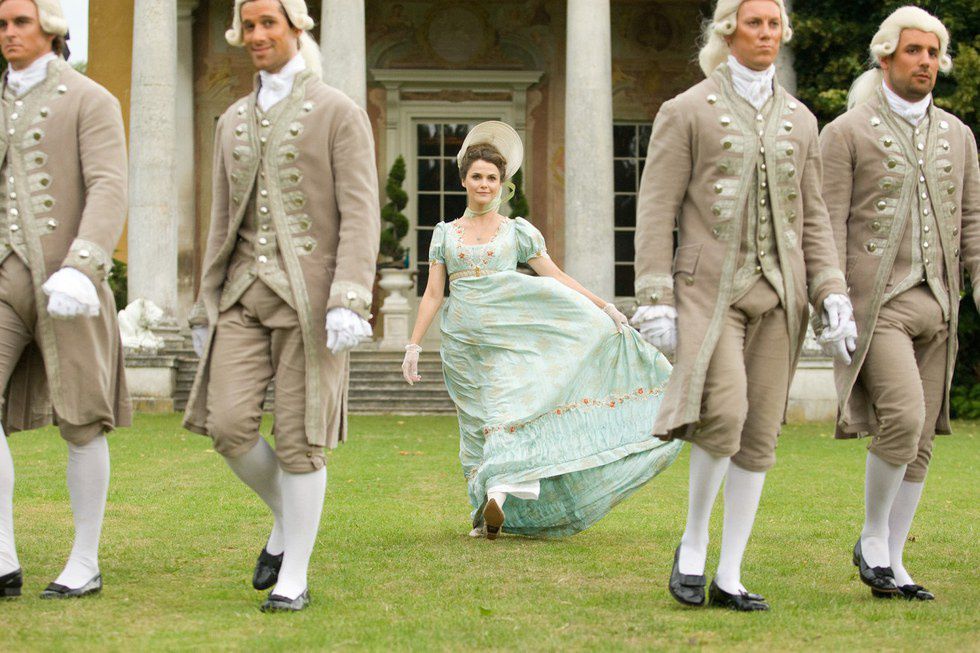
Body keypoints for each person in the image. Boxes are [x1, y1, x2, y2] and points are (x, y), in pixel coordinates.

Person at [631, 0, 851, 611]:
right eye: (755, 22)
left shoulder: (800, 120)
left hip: (781, 291)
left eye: (774, 23)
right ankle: (694, 542)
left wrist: (831, 288)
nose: (766, 33)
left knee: (759, 433)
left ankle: (730, 573)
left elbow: (814, 218)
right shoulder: (686, 109)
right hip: (709, 288)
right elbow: (656, 207)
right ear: (729, 32)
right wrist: (655, 297)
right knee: (724, 413)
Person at [182, 0, 379, 612]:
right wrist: (204, 302)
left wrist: (350, 297)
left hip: (311, 302)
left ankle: (294, 575)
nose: (257, 33)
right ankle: (286, 517)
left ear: (297, 27)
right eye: (249, 24)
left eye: (268, 22)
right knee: (227, 426)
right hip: (242, 294)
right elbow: (220, 220)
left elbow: (360, 213)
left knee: (300, 440)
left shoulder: (339, 112)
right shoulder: (232, 120)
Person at [401, 121, 680, 540]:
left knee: (506, 412)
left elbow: (555, 276)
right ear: (464, 181)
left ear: (502, 184)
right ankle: (484, 511)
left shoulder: (517, 231)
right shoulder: (444, 235)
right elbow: (433, 294)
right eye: (476, 176)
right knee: (475, 425)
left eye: (491, 178)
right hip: (461, 344)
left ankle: (500, 491)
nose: (484, 184)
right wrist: (413, 345)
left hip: (511, 341)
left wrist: (603, 306)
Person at [819, 5, 980, 601]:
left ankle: (895, 557)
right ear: (885, 57)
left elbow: (972, 221)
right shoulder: (845, 132)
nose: (926, 62)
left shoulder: (958, 135)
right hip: (876, 305)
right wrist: (830, 296)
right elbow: (825, 224)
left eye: (933, 53)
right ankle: (872, 539)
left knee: (924, 436)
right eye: (914, 50)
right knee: (904, 418)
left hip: (941, 305)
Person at [0, 0, 130, 599]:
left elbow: (108, 187)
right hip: (4, 277)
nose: (8, 33)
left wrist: (84, 267)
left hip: (68, 284)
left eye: (20, 22)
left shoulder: (89, 99)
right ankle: (3, 554)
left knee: (81, 421)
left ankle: (84, 559)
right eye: (2, 24)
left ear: (51, 28)